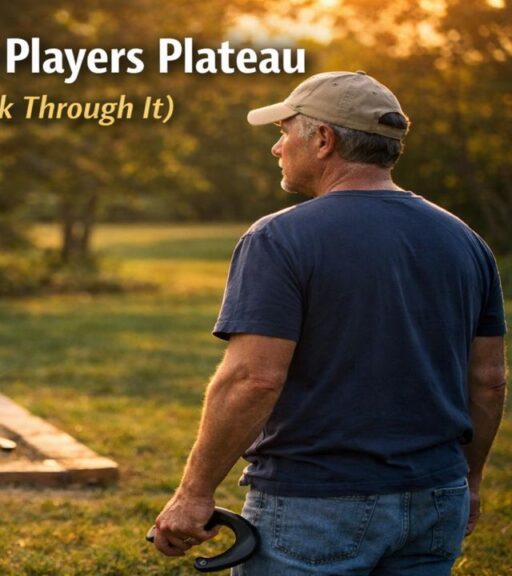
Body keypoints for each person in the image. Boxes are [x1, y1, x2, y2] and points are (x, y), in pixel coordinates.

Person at [149, 71, 507, 575]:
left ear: (323, 140)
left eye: (284, 131)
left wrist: (194, 494)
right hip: (436, 499)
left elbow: (254, 378)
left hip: (316, 505)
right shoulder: (465, 241)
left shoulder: (279, 238)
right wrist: (469, 482)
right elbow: (489, 381)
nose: (276, 148)